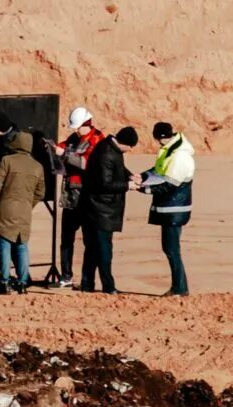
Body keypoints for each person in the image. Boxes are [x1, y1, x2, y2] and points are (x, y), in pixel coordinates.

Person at [77, 124, 139, 293]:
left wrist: (129, 175)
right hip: (101, 209)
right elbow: (105, 183)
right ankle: (108, 286)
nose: (130, 150)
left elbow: (116, 169)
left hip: (97, 208)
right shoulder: (107, 153)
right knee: (103, 249)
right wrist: (128, 185)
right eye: (130, 147)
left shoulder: (110, 148)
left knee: (93, 248)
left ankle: (87, 284)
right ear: (124, 143)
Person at [140, 120, 197, 296]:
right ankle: (179, 287)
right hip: (170, 208)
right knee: (170, 248)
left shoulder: (180, 156)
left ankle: (180, 288)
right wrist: (142, 176)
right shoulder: (170, 150)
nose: (158, 143)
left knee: (172, 249)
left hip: (174, 209)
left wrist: (144, 188)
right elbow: (159, 170)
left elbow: (169, 185)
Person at [0, 127, 46, 294]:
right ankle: (22, 282)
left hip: (6, 208)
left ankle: (4, 281)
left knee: (4, 243)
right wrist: (29, 204)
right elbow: (40, 192)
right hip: (25, 211)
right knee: (21, 245)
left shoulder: (7, 160)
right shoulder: (37, 166)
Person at [53, 108, 103, 287]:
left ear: (87, 124)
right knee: (66, 238)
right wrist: (54, 148)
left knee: (89, 240)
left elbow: (86, 163)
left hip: (87, 196)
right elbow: (63, 146)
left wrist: (64, 155)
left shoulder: (97, 140)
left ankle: (87, 279)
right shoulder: (75, 139)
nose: (76, 131)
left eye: (78, 127)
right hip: (70, 195)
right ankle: (66, 276)